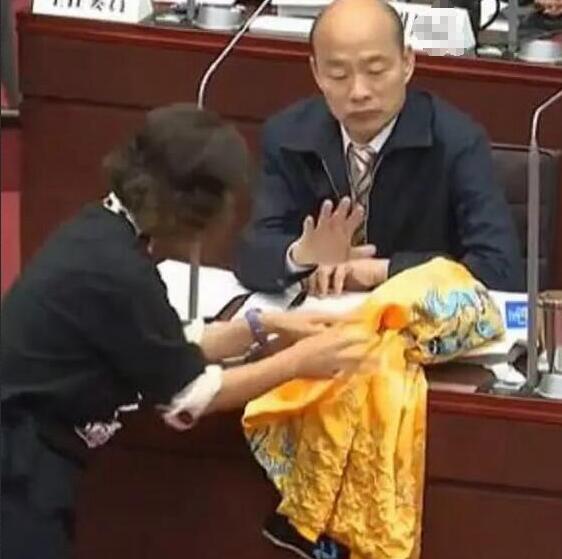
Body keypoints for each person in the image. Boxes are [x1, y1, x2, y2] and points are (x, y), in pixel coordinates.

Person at [0, 104, 373, 559]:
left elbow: (163, 345)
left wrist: (266, 326)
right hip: (17, 469)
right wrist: (299, 362)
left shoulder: (99, 232)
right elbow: (190, 395)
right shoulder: (119, 272)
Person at [234, 0, 524, 297]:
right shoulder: (288, 135)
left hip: (418, 317)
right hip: (319, 313)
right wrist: (299, 256)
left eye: (375, 71)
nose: (359, 92)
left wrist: (384, 271)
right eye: (339, 75)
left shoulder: (457, 141)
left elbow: (501, 270)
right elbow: (252, 252)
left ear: (407, 63)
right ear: (316, 72)